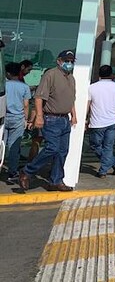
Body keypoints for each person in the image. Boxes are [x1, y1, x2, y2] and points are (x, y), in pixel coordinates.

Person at [19, 50, 77, 192]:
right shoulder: (50, 75)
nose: (69, 63)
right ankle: (27, 171)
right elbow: (39, 97)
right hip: (52, 118)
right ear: (59, 61)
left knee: (62, 152)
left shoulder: (71, 78)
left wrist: (74, 115)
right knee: (52, 148)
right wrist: (39, 117)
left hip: (65, 119)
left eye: (71, 61)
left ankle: (56, 180)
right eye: (66, 60)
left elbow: (71, 99)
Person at [87, 65, 115, 178]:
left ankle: (103, 170)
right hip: (113, 121)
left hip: (96, 121)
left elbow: (88, 104)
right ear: (111, 75)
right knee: (108, 147)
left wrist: (85, 118)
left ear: (99, 75)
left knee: (95, 145)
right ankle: (114, 162)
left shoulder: (92, 87)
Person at [3, 63, 31, 182]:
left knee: (1, 145)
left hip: (3, 118)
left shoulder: (3, 85)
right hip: (18, 119)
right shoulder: (24, 87)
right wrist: (26, 119)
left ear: (8, 73)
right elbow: (26, 105)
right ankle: (12, 172)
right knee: (14, 147)